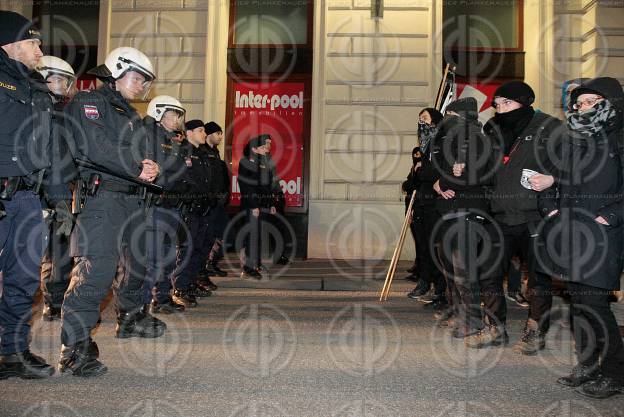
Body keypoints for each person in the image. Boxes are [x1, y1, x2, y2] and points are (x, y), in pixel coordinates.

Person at [58, 47, 164, 377]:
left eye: (146, 82)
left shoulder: (129, 114)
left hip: (131, 201)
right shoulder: (89, 102)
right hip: (103, 200)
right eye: (138, 78)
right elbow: (95, 146)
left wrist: (151, 167)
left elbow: (138, 155)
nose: (142, 86)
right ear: (116, 73)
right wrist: (137, 167)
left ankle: (126, 319)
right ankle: (73, 350)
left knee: (134, 266)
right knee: (95, 274)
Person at [539, 77, 624, 399]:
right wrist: (550, 210)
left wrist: (611, 216)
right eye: (579, 103)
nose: (583, 108)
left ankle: (615, 372)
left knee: (594, 303)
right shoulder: (573, 140)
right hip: (570, 232)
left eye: (592, 101)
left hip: (603, 233)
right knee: (579, 303)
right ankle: (588, 364)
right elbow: (553, 180)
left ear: (610, 102)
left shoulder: (619, 139)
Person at [481, 81, 564, 354]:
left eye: (508, 103)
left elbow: (571, 164)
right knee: (489, 272)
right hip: (499, 213)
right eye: (497, 104)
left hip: (534, 215)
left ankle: (535, 329)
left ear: (524, 102)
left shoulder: (549, 127)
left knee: (539, 276)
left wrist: (554, 178)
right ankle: (493, 326)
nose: (501, 109)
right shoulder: (492, 129)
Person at [0, 11, 55, 380]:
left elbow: (49, 148)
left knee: (23, 279)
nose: (39, 48)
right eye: (32, 41)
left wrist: (54, 199)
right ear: (11, 43)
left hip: (29, 198)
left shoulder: (37, 87)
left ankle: (13, 353)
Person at [431, 98, 496, 343]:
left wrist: (445, 180)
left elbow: (472, 174)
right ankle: (460, 314)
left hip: (468, 211)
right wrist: (443, 180)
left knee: (464, 270)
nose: (446, 118)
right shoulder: (455, 139)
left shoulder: (475, 139)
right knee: (453, 269)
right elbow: (448, 170)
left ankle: (473, 320)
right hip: (451, 210)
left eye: (450, 113)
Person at [143, 95, 192, 314]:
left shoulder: (172, 140)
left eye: (178, 115)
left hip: (172, 203)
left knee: (169, 256)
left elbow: (180, 170)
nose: (176, 120)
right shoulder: (149, 136)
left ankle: (162, 297)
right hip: (157, 204)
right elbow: (155, 170)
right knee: (153, 258)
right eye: (172, 114)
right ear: (159, 113)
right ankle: (143, 305)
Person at [37, 55, 78, 321]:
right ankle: (50, 301)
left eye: (66, 80)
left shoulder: (63, 112)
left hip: (63, 187)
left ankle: (54, 300)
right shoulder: (36, 110)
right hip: (40, 191)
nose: (64, 85)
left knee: (60, 249)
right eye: (59, 79)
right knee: (44, 250)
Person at [171, 120, 213, 308]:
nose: (204, 134)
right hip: (189, 208)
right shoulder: (183, 151)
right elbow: (184, 180)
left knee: (197, 248)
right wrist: (191, 199)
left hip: (203, 208)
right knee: (186, 249)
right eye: (200, 130)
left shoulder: (202, 154)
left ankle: (190, 283)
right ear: (189, 132)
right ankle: (179, 288)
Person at [407, 107, 446, 305]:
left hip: (435, 203)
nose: (422, 122)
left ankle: (440, 288)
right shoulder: (421, 148)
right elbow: (414, 178)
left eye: (425, 118)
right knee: (422, 246)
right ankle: (423, 281)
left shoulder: (441, 142)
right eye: (419, 118)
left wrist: (423, 170)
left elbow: (436, 172)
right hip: (421, 201)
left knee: (435, 247)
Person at [196, 121, 230, 290]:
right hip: (206, 203)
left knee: (218, 234)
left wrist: (223, 194)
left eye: (221, 133)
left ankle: (210, 264)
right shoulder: (202, 152)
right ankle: (201, 272)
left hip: (217, 202)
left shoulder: (215, 153)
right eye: (218, 133)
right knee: (203, 239)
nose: (220, 136)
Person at [238, 134, 277, 279]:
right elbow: (247, 186)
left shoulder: (264, 162)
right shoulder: (246, 161)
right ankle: (248, 267)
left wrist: (271, 203)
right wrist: (254, 205)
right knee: (251, 237)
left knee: (260, 236)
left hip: (263, 205)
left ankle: (257, 264)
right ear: (254, 148)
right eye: (264, 145)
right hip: (252, 206)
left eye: (268, 145)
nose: (267, 147)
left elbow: (267, 186)